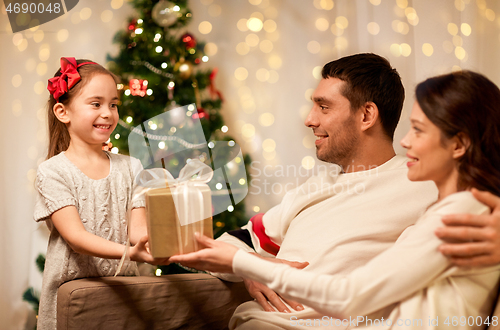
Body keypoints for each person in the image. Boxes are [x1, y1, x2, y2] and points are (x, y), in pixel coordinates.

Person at [171, 70, 500, 329]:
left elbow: (352, 296)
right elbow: (238, 239)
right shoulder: (313, 188)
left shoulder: (436, 191)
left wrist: (238, 261)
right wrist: (253, 269)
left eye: (323, 106)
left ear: (367, 115)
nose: (309, 119)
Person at [34, 57, 164, 329]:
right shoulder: (52, 171)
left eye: (113, 104)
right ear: (62, 112)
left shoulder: (131, 167)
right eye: (96, 104)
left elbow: (137, 233)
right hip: (72, 297)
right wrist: (132, 254)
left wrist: (159, 243)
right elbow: (78, 239)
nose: (108, 113)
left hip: (124, 292)